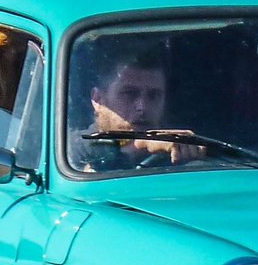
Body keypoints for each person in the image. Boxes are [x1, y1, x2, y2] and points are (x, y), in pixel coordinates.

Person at [69, 42, 205, 171]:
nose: (143, 107)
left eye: (154, 95)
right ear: (97, 99)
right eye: (129, 93)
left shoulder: (183, 148)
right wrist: (142, 145)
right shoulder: (72, 152)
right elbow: (88, 181)